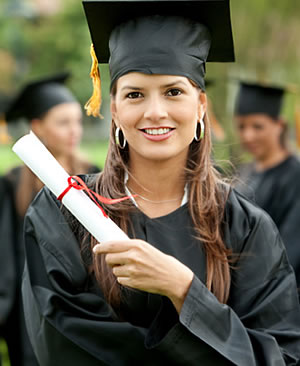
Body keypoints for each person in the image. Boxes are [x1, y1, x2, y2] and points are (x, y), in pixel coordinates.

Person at [22, 1, 300, 365]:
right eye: (135, 94)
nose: (155, 112)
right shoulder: (64, 213)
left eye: (173, 92)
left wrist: (184, 290)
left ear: (201, 105)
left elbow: (278, 356)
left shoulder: (244, 227)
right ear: (116, 109)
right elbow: (61, 346)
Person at [0, 72, 100, 366]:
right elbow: (5, 256)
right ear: (38, 127)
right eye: (63, 122)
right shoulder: (12, 184)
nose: (75, 131)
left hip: (83, 301)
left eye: (78, 122)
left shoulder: (91, 177)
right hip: (27, 304)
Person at [234, 81, 300, 290]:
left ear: (279, 125)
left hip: (278, 295)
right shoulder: (245, 174)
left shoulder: (295, 176)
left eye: (257, 126)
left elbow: (291, 249)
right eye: (241, 126)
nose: (248, 135)